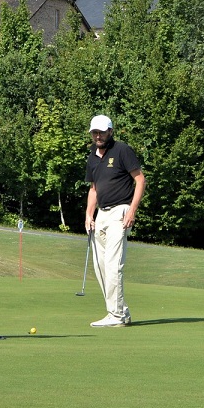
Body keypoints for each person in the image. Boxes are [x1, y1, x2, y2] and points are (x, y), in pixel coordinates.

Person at [85, 115, 146, 327]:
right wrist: (88, 214)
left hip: (120, 211)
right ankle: (119, 311)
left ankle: (117, 316)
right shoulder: (92, 155)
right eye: (95, 132)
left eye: (102, 132)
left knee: (113, 265)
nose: (98, 136)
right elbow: (93, 188)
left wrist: (132, 210)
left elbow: (140, 180)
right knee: (100, 266)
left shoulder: (122, 150)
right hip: (101, 214)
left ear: (111, 131)